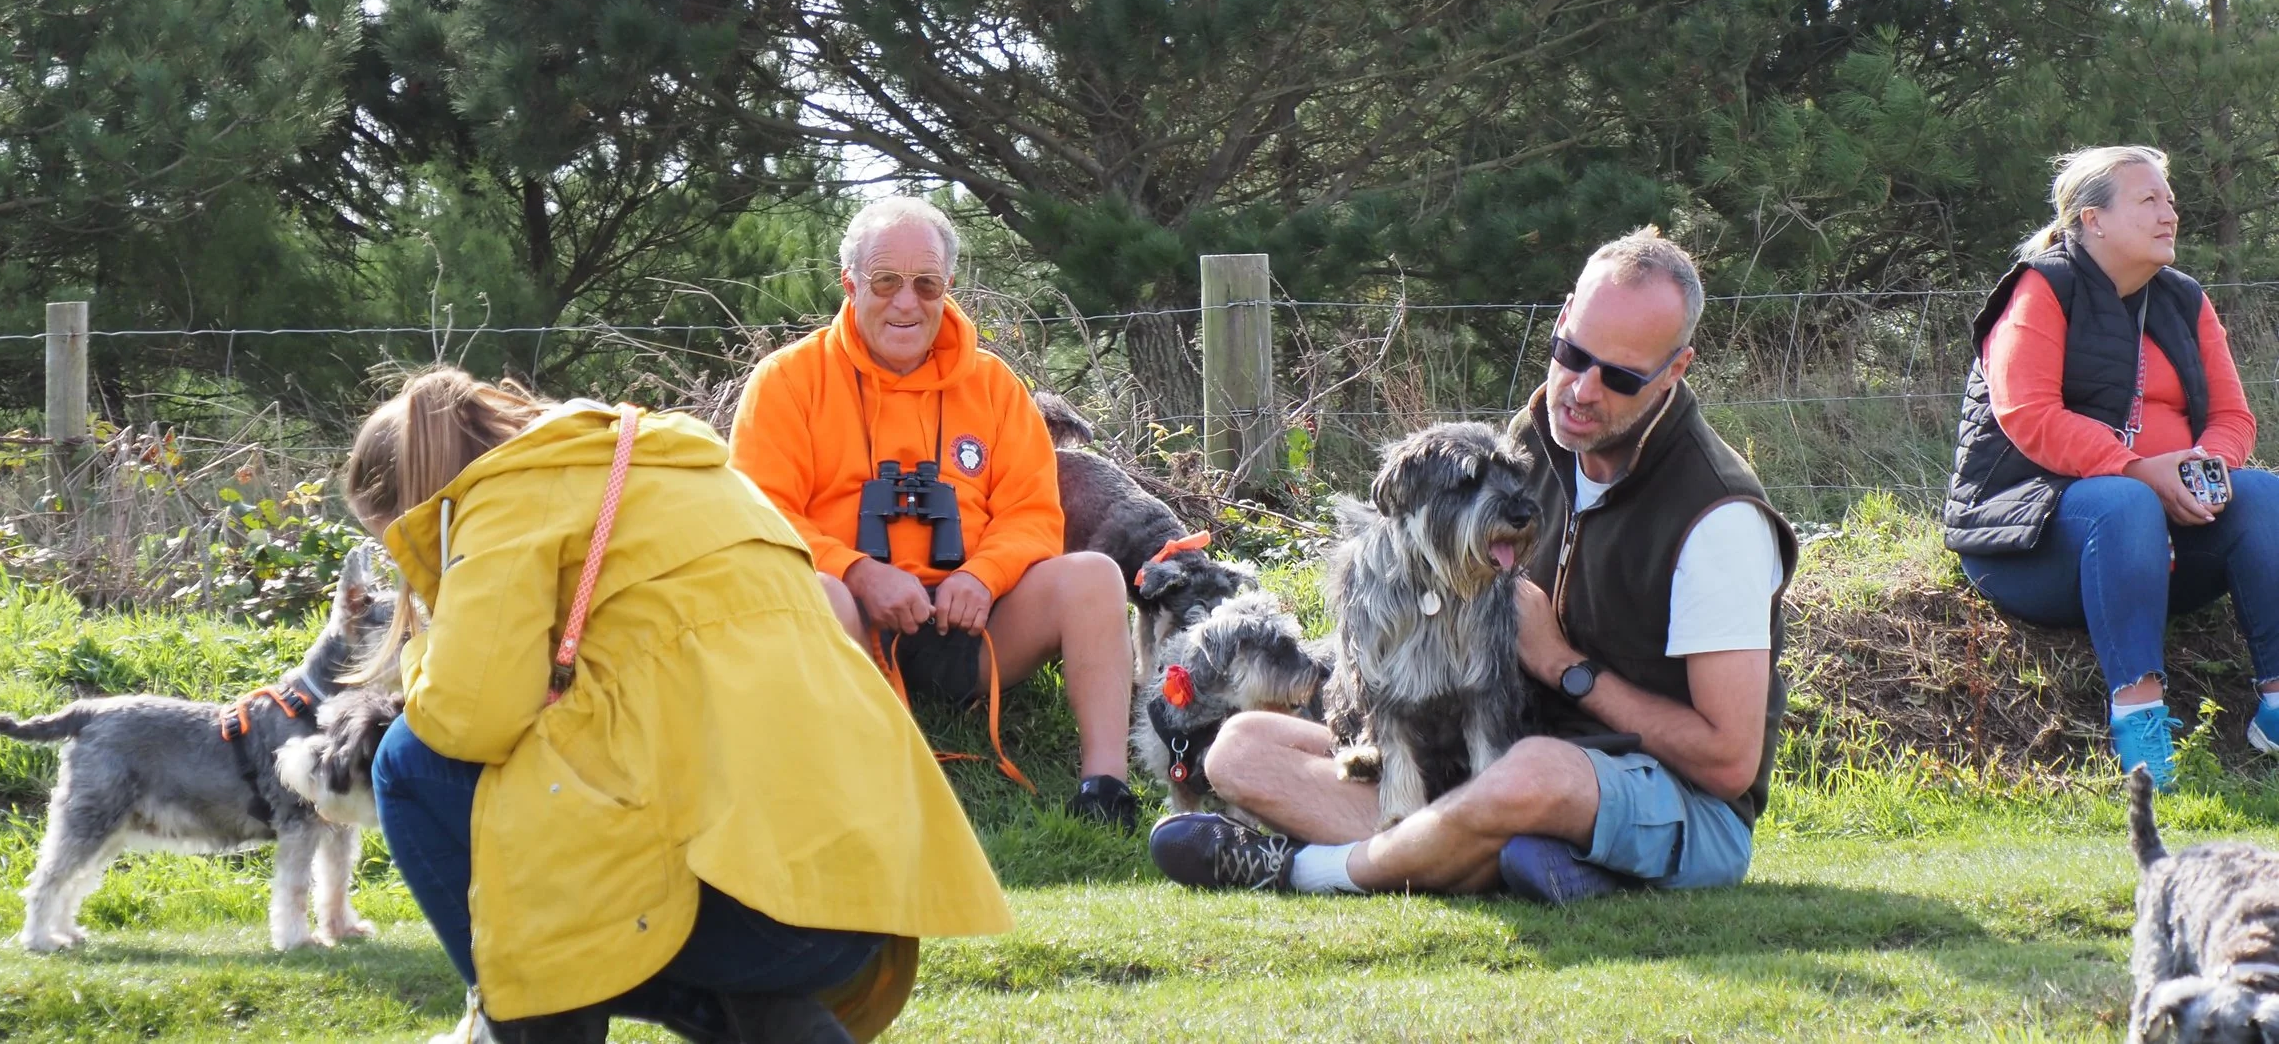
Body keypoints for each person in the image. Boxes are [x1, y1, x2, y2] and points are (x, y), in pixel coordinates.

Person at [347, 368, 1010, 1044]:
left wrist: (423, 649)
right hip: (867, 891)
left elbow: (471, 716)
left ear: (427, 504)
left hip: (747, 905)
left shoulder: (508, 493)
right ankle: (770, 1019)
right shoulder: (677, 460)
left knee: (407, 758)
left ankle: (520, 1023)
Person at [1149, 227, 1797, 905]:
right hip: (1489, 755)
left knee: (1533, 774)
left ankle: (1301, 868)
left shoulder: (1715, 516)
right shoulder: (1533, 442)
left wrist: (1566, 667)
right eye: (1571, 352)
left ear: (1676, 369)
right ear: (1563, 314)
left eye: (1620, 375)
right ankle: (1515, 861)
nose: (1579, 389)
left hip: (1662, 798)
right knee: (1240, 746)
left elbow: (1728, 763)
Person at [728, 197, 1138, 829]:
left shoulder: (996, 386)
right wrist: (859, 572)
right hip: (848, 626)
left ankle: (1105, 788)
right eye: (885, 281)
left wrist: (983, 576)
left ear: (949, 288)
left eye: (926, 284)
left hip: (971, 627)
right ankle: (853, 778)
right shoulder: (785, 381)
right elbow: (758, 514)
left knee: (1094, 576)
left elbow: (1033, 514)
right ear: (850, 284)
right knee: (818, 591)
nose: (905, 302)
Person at [1945, 145, 2279, 779]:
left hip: (2164, 542)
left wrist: (2202, 469)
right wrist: (2140, 472)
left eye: (2171, 201)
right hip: (2030, 543)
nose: (2169, 215)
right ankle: (2140, 727)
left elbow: (2234, 418)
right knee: (2124, 501)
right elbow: (2030, 416)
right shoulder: (2042, 288)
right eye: (2148, 200)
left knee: (2262, 492)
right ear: (2091, 219)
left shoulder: (2185, 300)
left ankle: (2276, 711)